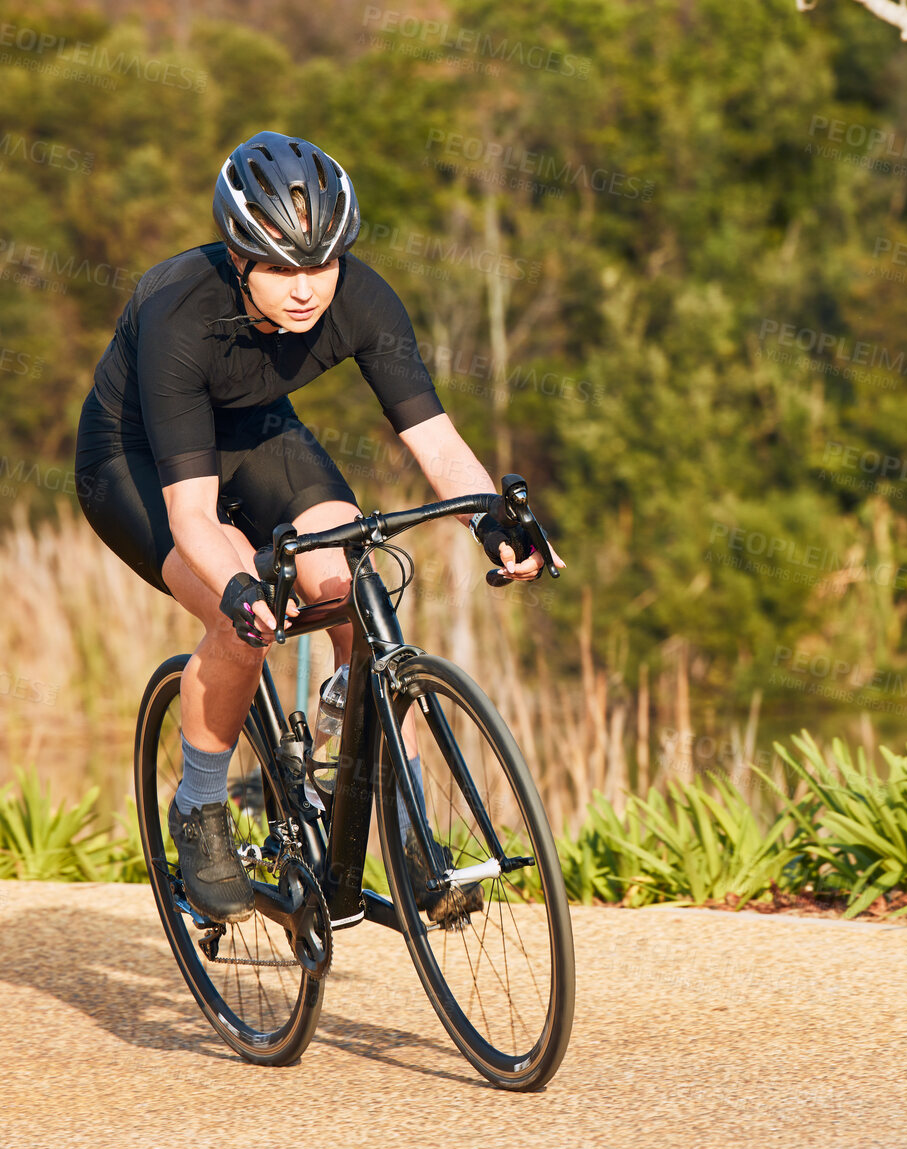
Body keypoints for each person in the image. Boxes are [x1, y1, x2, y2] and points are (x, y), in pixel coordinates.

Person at [73, 131, 561, 924]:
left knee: (346, 577)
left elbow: (434, 440)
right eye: (282, 268)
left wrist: (489, 521)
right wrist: (235, 586)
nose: (306, 290)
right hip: (134, 457)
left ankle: (402, 830)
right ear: (240, 258)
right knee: (245, 621)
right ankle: (199, 805)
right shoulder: (179, 313)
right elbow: (192, 513)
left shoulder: (362, 298)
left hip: (259, 432)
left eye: (322, 264)